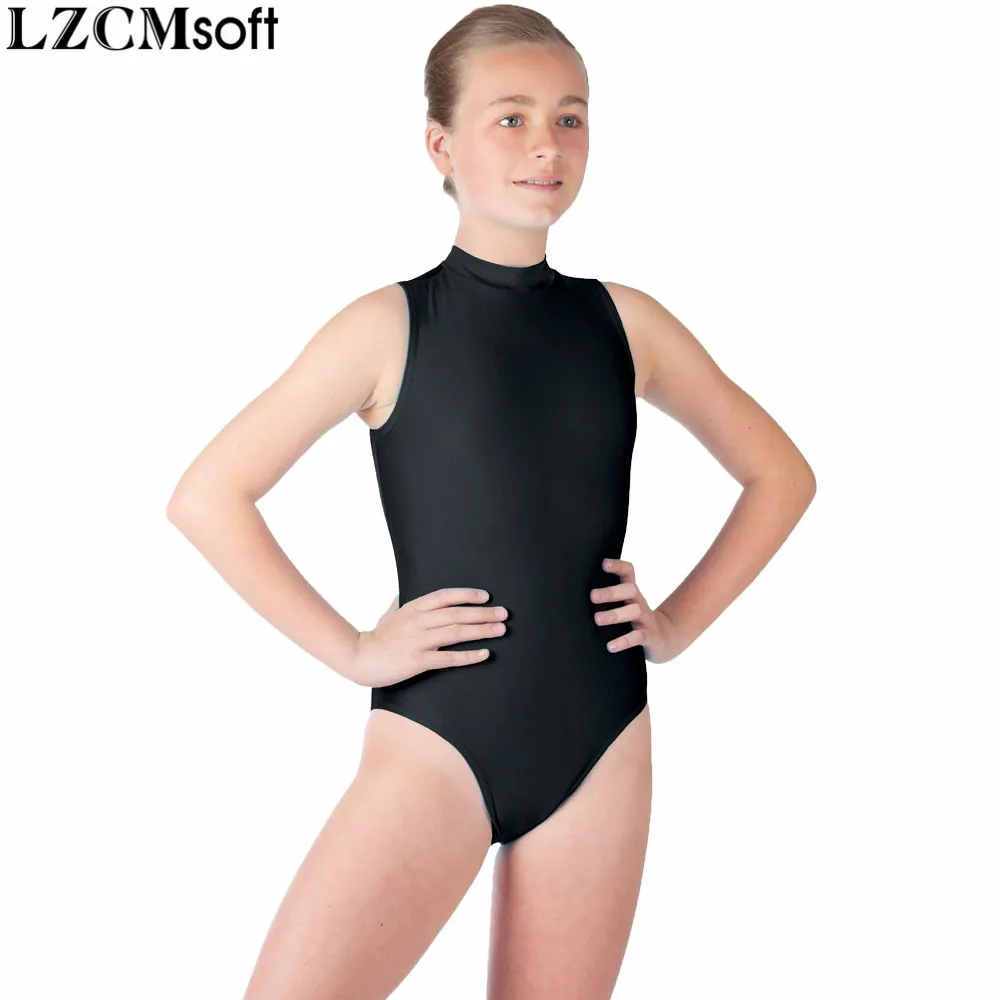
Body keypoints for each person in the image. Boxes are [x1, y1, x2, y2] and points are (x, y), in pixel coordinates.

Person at [166, 5, 816, 999]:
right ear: (441, 144)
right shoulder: (386, 325)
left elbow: (781, 475)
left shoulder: (628, 322)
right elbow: (209, 495)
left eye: (570, 118)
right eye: (510, 118)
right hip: (436, 741)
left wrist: (677, 624)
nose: (545, 144)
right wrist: (353, 649)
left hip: (601, 743)